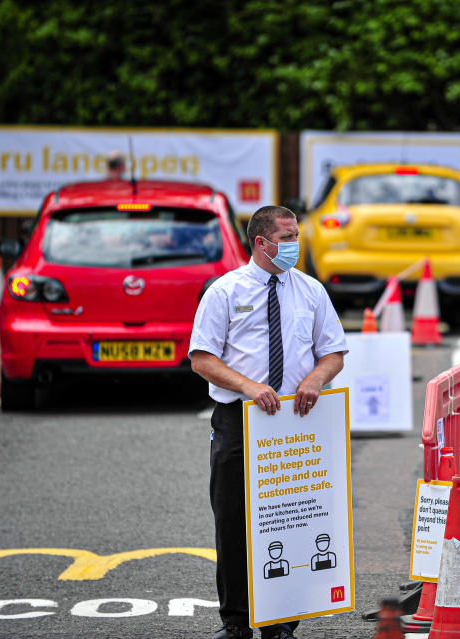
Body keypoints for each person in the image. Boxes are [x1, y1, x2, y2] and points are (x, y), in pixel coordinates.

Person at [189, 205, 347, 639]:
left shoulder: (311, 291)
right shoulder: (224, 291)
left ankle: (281, 622)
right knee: (234, 519)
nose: (296, 244)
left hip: (294, 422)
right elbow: (202, 358)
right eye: (288, 237)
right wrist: (249, 386)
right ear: (261, 243)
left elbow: (333, 350)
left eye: (296, 236)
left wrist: (316, 379)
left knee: (289, 521)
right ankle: (236, 622)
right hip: (240, 419)